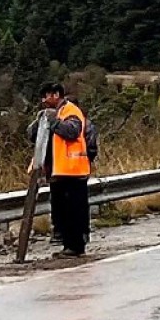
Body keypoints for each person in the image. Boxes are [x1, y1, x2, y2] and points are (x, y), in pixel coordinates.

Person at [38, 84, 93, 258]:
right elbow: (34, 134)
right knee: (62, 211)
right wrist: (40, 121)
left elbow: (72, 131)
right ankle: (68, 245)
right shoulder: (56, 113)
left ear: (56, 95)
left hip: (73, 170)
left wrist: (53, 121)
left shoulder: (70, 111)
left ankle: (75, 246)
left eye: (46, 96)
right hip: (60, 171)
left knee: (74, 211)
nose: (43, 101)